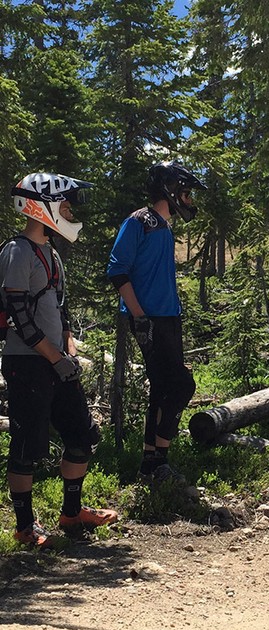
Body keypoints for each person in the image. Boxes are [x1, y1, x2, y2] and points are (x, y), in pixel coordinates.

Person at [0, 172, 118, 549]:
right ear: (40, 206)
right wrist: (54, 356)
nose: (69, 208)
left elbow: (59, 307)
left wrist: (67, 344)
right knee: (27, 444)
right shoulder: (17, 251)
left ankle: (71, 513)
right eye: (63, 202)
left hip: (57, 361)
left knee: (81, 434)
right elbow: (18, 314)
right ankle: (23, 526)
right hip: (28, 363)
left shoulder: (50, 252)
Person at [107, 160, 206, 482]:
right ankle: (158, 460)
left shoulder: (164, 227)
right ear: (170, 189)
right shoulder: (140, 221)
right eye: (186, 193)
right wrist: (139, 318)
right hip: (149, 320)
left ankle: (151, 463)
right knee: (181, 385)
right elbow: (117, 270)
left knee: (163, 389)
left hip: (168, 318)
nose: (189, 200)